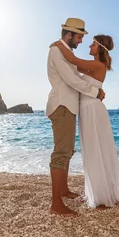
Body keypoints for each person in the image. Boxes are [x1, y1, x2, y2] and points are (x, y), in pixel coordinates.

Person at [52, 34, 119, 210]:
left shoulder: (97, 64)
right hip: (88, 109)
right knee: (92, 150)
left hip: (92, 110)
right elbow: (74, 71)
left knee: (95, 151)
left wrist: (58, 45)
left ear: (100, 48)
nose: (89, 47)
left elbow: (72, 59)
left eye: (93, 45)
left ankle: (101, 197)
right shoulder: (94, 66)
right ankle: (97, 193)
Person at [46, 18, 105, 216]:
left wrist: (96, 88)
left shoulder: (66, 52)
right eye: (79, 37)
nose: (81, 41)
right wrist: (95, 92)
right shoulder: (56, 51)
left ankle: (63, 191)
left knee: (68, 151)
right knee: (61, 153)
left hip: (69, 107)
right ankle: (56, 204)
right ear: (69, 34)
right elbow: (72, 81)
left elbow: (78, 76)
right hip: (62, 106)